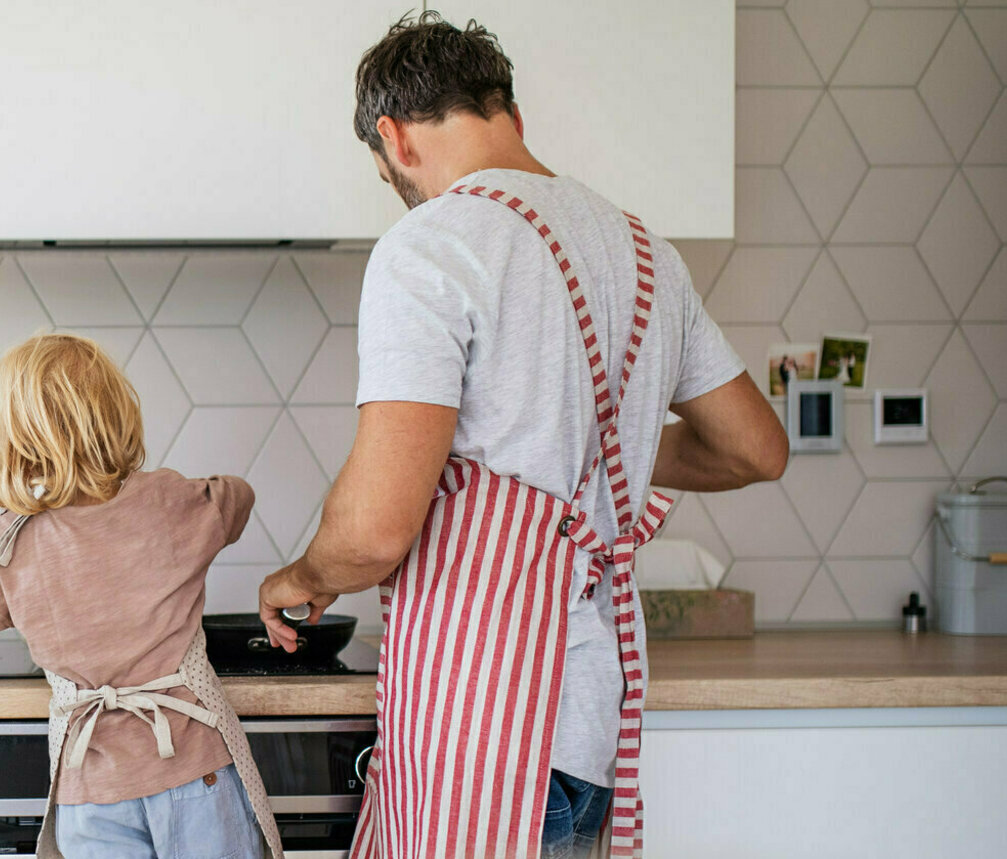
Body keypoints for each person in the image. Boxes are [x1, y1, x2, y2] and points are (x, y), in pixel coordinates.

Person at [255, 13, 788, 859]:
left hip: (487, 725)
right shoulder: (646, 252)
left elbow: (375, 529)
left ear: (393, 138)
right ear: (512, 118)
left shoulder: (431, 245)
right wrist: (597, 445)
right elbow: (755, 447)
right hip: (587, 727)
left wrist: (303, 574)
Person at [0, 333, 283, 859]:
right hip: (196, 770)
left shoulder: (8, 544)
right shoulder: (170, 500)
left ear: (10, 440)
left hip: (90, 793)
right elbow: (239, 496)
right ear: (118, 419)